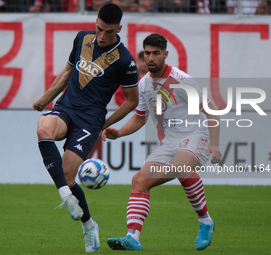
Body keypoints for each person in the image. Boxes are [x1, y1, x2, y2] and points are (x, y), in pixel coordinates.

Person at [32, 3, 139, 253]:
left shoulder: (125, 60)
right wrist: (44, 98)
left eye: (108, 32)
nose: (102, 36)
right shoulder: (82, 38)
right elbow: (68, 71)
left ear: (119, 29)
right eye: (99, 29)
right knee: (43, 129)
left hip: (90, 120)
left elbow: (132, 100)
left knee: (69, 177)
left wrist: (106, 123)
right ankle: (65, 196)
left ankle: (89, 225)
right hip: (66, 108)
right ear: (96, 22)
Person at [102, 33, 222, 251]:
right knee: (139, 180)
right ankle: (133, 237)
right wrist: (118, 133)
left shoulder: (182, 80)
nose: (151, 58)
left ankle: (205, 221)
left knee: (180, 167)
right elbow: (140, 117)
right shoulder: (144, 84)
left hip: (195, 135)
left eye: (156, 53)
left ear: (165, 54)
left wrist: (214, 144)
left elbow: (211, 113)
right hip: (169, 143)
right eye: (147, 53)